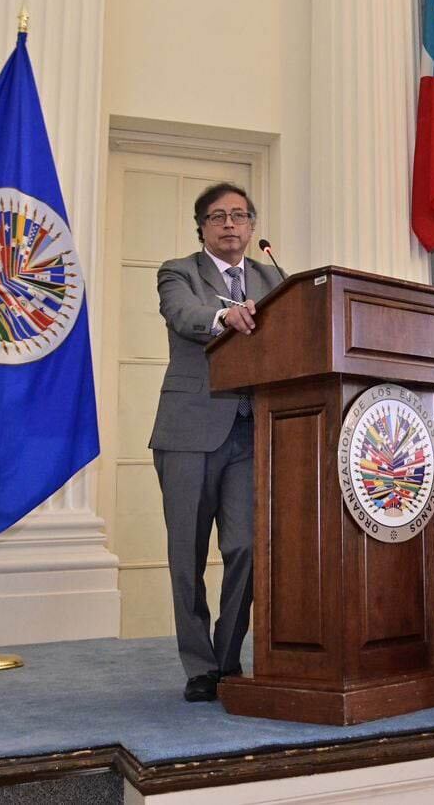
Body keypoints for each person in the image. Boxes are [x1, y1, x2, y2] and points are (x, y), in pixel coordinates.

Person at [149, 182, 282, 703]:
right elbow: (183, 315)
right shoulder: (179, 271)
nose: (230, 224)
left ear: (251, 226)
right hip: (188, 430)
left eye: (240, 216)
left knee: (246, 546)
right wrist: (224, 316)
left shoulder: (274, 277)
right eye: (219, 217)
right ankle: (199, 665)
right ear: (202, 227)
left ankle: (227, 660)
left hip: (252, 432)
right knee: (187, 554)